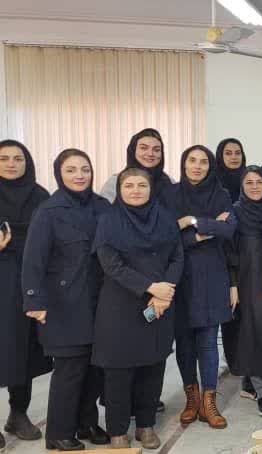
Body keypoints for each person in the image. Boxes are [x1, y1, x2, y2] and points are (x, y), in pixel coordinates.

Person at [22, 148, 110, 450]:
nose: (79, 175)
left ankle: (87, 423)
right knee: (70, 370)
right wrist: (34, 301)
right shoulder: (48, 211)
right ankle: (58, 433)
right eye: (71, 170)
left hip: (100, 302)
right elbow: (33, 261)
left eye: (85, 169)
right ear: (59, 173)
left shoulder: (102, 206)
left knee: (95, 367)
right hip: (63, 304)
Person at [92, 168, 184, 449]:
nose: (135, 190)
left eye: (141, 185)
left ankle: (146, 425)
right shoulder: (108, 220)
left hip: (158, 306)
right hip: (120, 307)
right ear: (119, 190)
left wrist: (165, 292)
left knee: (153, 367)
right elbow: (111, 265)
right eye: (129, 185)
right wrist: (151, 287)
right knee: (118, 372)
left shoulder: (165, 218)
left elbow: (177, 257)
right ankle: (118, 430)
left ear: (150, 188)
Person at [163, 145, 236, 429]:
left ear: (210, 166)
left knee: (207, 342)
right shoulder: (170, 194)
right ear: (184, 164)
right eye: (192, 161)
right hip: (179, 276)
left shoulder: (221, 194)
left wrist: (191, 222)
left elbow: (228, 229)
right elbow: (165, 236)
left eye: (203, 161)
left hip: (212, 276)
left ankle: (209, 402)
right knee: (184, 342)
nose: (197, 166)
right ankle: (191, 399)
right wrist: (203, 234)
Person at [0, 140, 50, 450]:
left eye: (18, 159)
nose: (11, 164)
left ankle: (18, 413)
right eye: (4, 158)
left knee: (24, 349)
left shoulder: (40, 196)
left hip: (27, 282)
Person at [222, 166, 262, 417]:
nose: (255, 187)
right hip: (249, 281)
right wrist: (233, 284)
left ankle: (256, 377)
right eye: (249, 182)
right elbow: (229, 252)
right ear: (242, 186)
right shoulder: (235, 212)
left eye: (259, 182)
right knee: (254, 333)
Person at [99, 128, 173, 203]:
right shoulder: (115, 182)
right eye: (143, 148)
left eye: (156, 150)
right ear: (133, 150)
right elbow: (103, 209)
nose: (150, 154)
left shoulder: (170, 182)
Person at [215, 138, 245, 203]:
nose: (234, 157)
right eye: (228, 153)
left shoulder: (250, 176)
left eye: (238, 153)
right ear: (220, 156)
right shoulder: (212, 180)